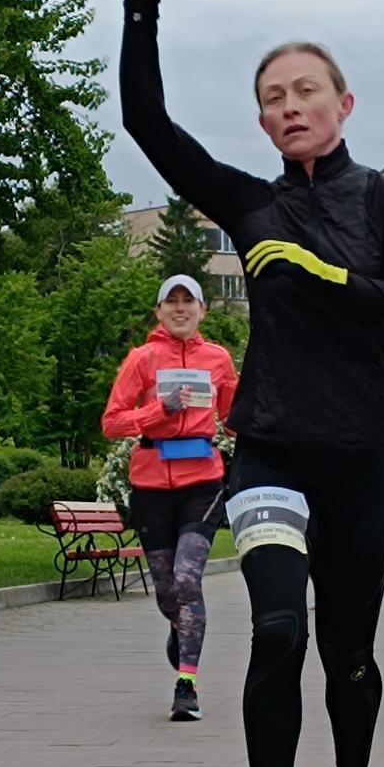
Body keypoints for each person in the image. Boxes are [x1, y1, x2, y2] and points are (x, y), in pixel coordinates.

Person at [120, 0, 384, 767]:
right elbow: (148, 128)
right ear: (261, 121)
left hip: (360, 453)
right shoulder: (250, 204)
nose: (288, 106)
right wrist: (142, 11)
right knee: (272, 632)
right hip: (267, 446)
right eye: (271, 97)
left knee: (347, 652)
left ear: (342, 101)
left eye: (305, 90)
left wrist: (318, 272)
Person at [102, 275, 240, 722]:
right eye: (171, 302)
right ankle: (178, 626)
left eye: (189, 301)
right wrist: (161, 410)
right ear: (159, 312)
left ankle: (187, 684)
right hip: (151, 485)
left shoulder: (217, 358)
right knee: (166, 590)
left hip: (202, 480)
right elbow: (112, 422)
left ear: (203, 310)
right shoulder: (142, 359)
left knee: (186, 579)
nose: (180, 309)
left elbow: (235, 416)